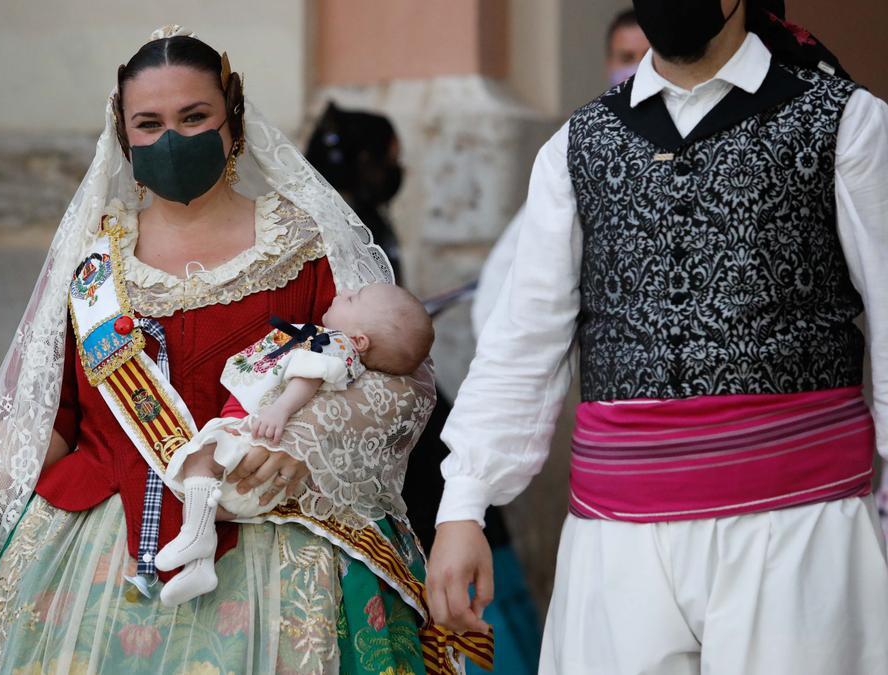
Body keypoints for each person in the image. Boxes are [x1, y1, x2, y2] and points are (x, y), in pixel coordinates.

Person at [0, 26, 491, 675]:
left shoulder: (305, 246)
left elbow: (397, 381)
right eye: (150, 123)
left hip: (274, 541)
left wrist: (304, 442)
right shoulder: (91, 267)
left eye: (194, 117)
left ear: (232, 121)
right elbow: (34, 427)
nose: (172, 139)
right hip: (86, 566)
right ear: (124, 136)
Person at [431, 1, 888, 674]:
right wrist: (463, 502)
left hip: (799, 528)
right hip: (618, 543)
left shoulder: (846, 120)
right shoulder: (578, 145)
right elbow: (523, 341)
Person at [307, 106, 542, 674]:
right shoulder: (332, 233)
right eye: (390, 159)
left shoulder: (367, 221)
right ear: (366, 162)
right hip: (378, 432)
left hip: (411, 412)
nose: (397, 170)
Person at [157, 283, 434, 606]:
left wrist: (280, 411)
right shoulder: (341, 348)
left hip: (257, 445)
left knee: (199, 459)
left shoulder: (331, 342)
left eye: (352, 299)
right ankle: (199, 565)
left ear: (359, 340)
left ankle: (196, 540)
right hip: (257, 489)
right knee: (211, 503)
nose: (342, 293)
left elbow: (307, 377)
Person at [471, 9, 650, 331]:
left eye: (648, 56)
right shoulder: (584, 140)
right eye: (627, 57)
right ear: (609, 63)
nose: (636, 67)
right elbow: (515, 268)